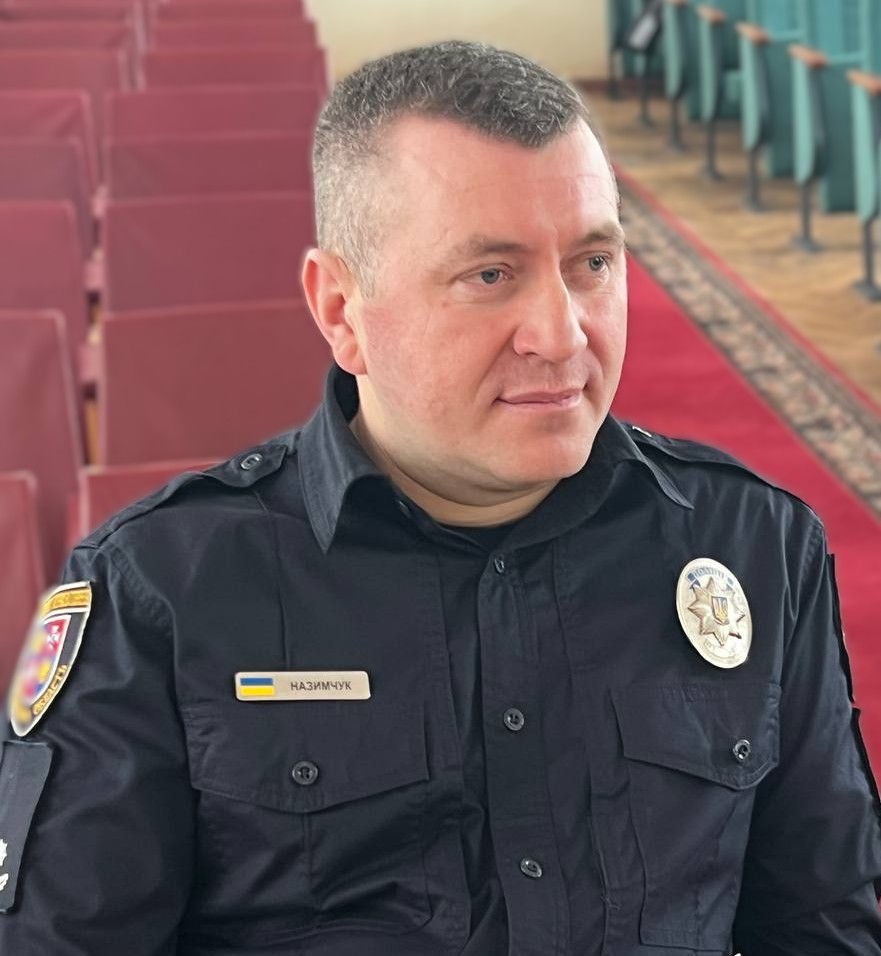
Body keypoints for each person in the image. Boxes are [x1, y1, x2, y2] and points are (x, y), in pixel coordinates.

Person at [1, 40, 879, 956]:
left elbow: (820, 925)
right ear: (340, 310)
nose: (560, 334)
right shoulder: (156, 593)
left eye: (591, 262)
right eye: (489, 276)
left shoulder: (754, 544)